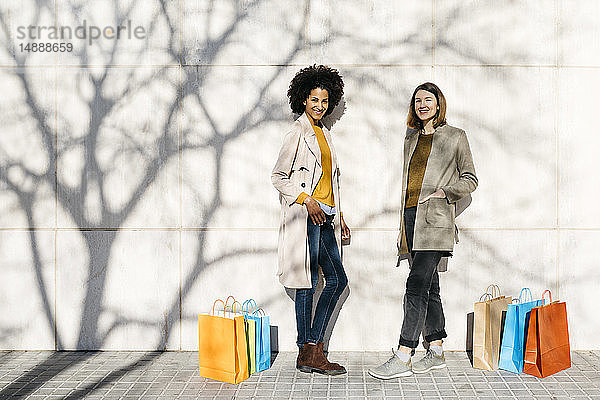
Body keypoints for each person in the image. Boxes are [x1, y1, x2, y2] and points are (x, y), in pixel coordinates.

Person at [369, 82, 478, 379]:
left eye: (427, 100)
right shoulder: (411, 138)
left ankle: (405, 353)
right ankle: (437, 348)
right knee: (429, 286)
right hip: (410, 220)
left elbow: (470, 179)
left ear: (438, 104)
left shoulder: (456, 137)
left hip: (436, 222)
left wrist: (445, 193)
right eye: (417, 100)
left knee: (415, 285)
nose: (422, 105)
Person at [271, 65, 350, 376]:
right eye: (314, 100)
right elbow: (278, 177)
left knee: (336, 281)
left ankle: (310, 348)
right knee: (307, 283)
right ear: (303, 100)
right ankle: (309, 351)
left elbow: (331, 181)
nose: (320, 106)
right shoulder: (296, 132)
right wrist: (307, 200)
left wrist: (339, 214)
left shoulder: (325, 134)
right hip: (306, 215)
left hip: (326, 217)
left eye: (325, 101)